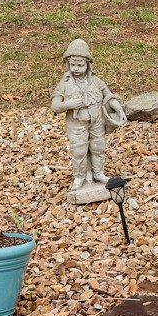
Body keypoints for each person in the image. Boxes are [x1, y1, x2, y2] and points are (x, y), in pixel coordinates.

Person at [50, 39, 125, 203]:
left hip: (96, 119)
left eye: (80, 65)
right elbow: (55, 105)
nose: (76, 69)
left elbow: (108, 95)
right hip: (77, 123)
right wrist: (67, 104)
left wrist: (117, 107)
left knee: (98, 147)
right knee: (79, 150)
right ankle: (80, 177)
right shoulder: (65, 84)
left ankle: (98, 173)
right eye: (72, 65)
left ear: (88, 64)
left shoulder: (96, 81)